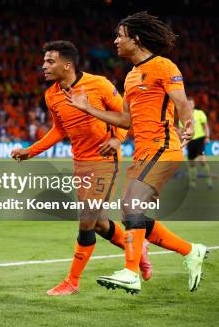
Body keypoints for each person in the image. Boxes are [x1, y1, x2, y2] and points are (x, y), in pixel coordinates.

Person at [65, 12, 207, 294]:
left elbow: (180, 99)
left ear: (136, 39)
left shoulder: (163, 66)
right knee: (132, 212)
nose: (115, 41)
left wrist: (187, 122)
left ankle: (131, 272)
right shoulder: (130, 77)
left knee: (131, 205)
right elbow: (126, 121)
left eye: (120, 35)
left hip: (163, 148)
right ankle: (191, 250)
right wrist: (87, 108)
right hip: (142, 152)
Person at [11, 40, 152, 295]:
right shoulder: (51, 94)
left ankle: (72, 282)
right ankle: (138, 251)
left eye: (49, 61)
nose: (44, 66)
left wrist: (116, 139)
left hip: (103, 161)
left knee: (86, 221)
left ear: (67, 65)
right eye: (44, 61)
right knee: (98, 222)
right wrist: (30, 151)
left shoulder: (99, 84)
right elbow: (59, 130)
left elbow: (126, 118)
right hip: (80, 162)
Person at [180, 97, 212, 189]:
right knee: (191, 163)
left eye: (191, 103)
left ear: (194, 105)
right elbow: (182, 130)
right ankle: (192, 183)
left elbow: (205, 126)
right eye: (188, 104)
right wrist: (178, 132)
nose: (190, 105)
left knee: (202, 160)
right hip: (190, 141)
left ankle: (209, 180)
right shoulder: (183, 116)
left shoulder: (199, 113)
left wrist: (207, 137)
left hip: (200, 139)